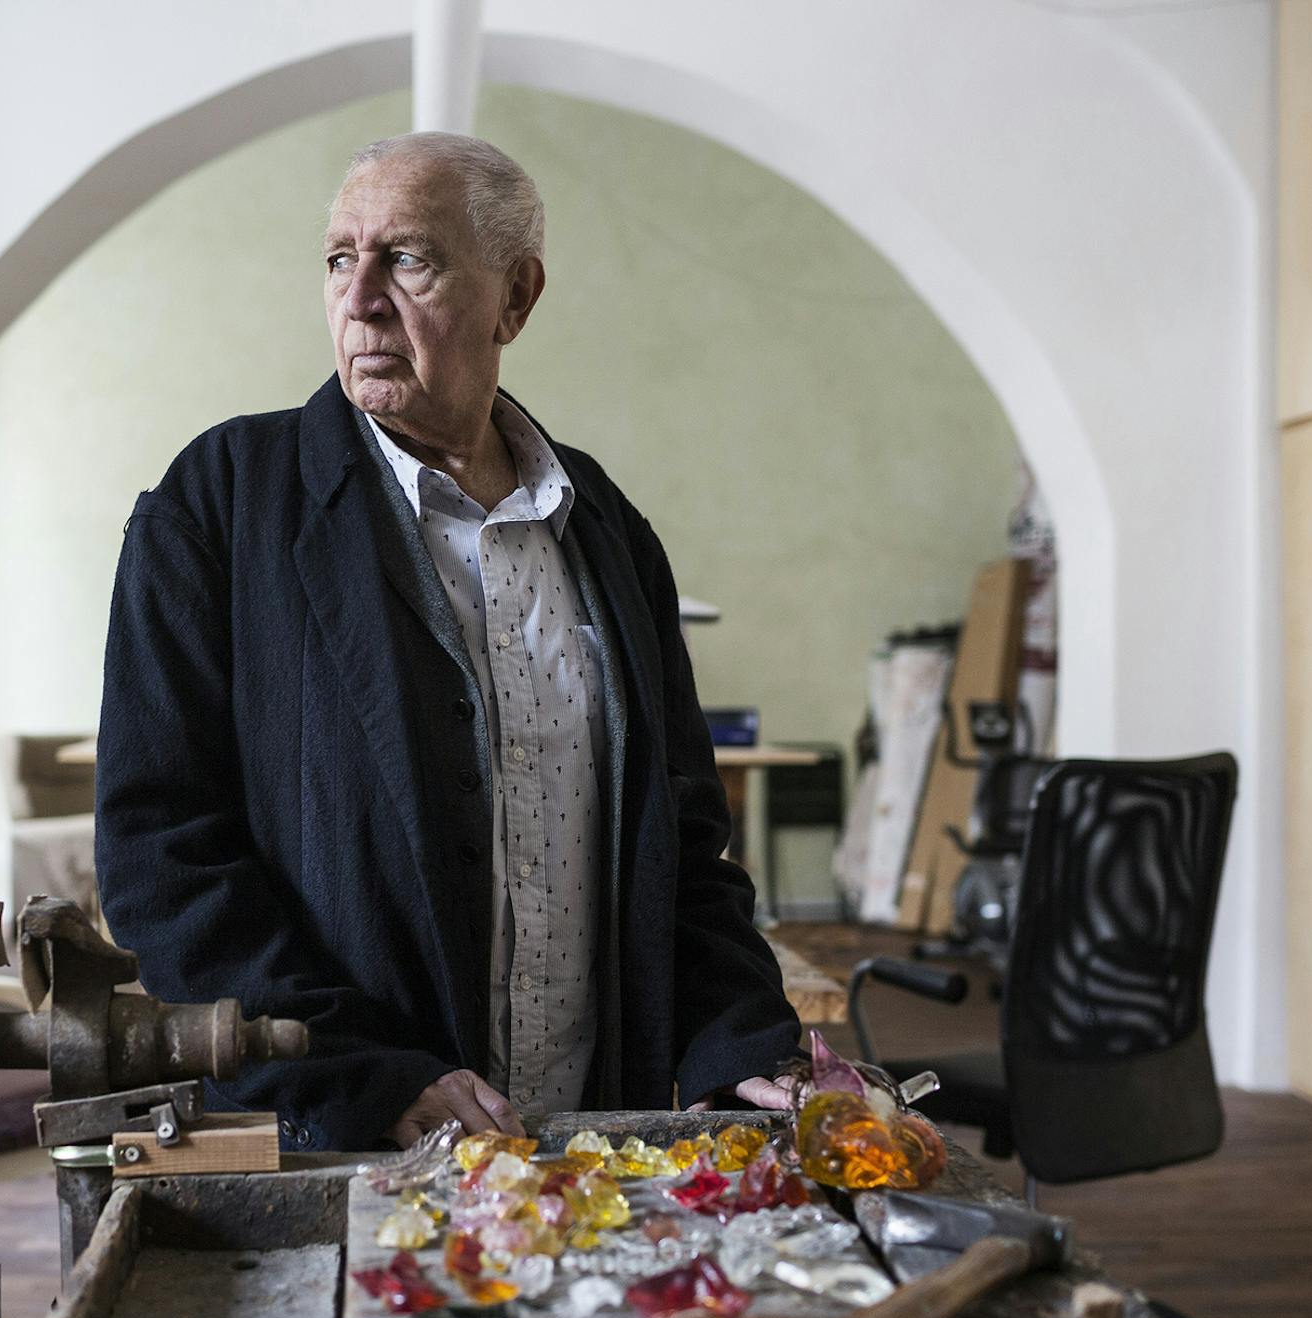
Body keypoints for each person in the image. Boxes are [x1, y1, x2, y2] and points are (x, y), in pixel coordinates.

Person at [94, 132, 800, 1151]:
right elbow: (161, 855)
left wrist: (737, 1043)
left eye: (408, 259)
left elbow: (684, 847)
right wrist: (351, 1076)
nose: (361, 298)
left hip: (594, 1140)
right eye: (340, 259)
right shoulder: (220, 505)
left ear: (516, 298)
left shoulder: (601, 528)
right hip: (344, 1142)